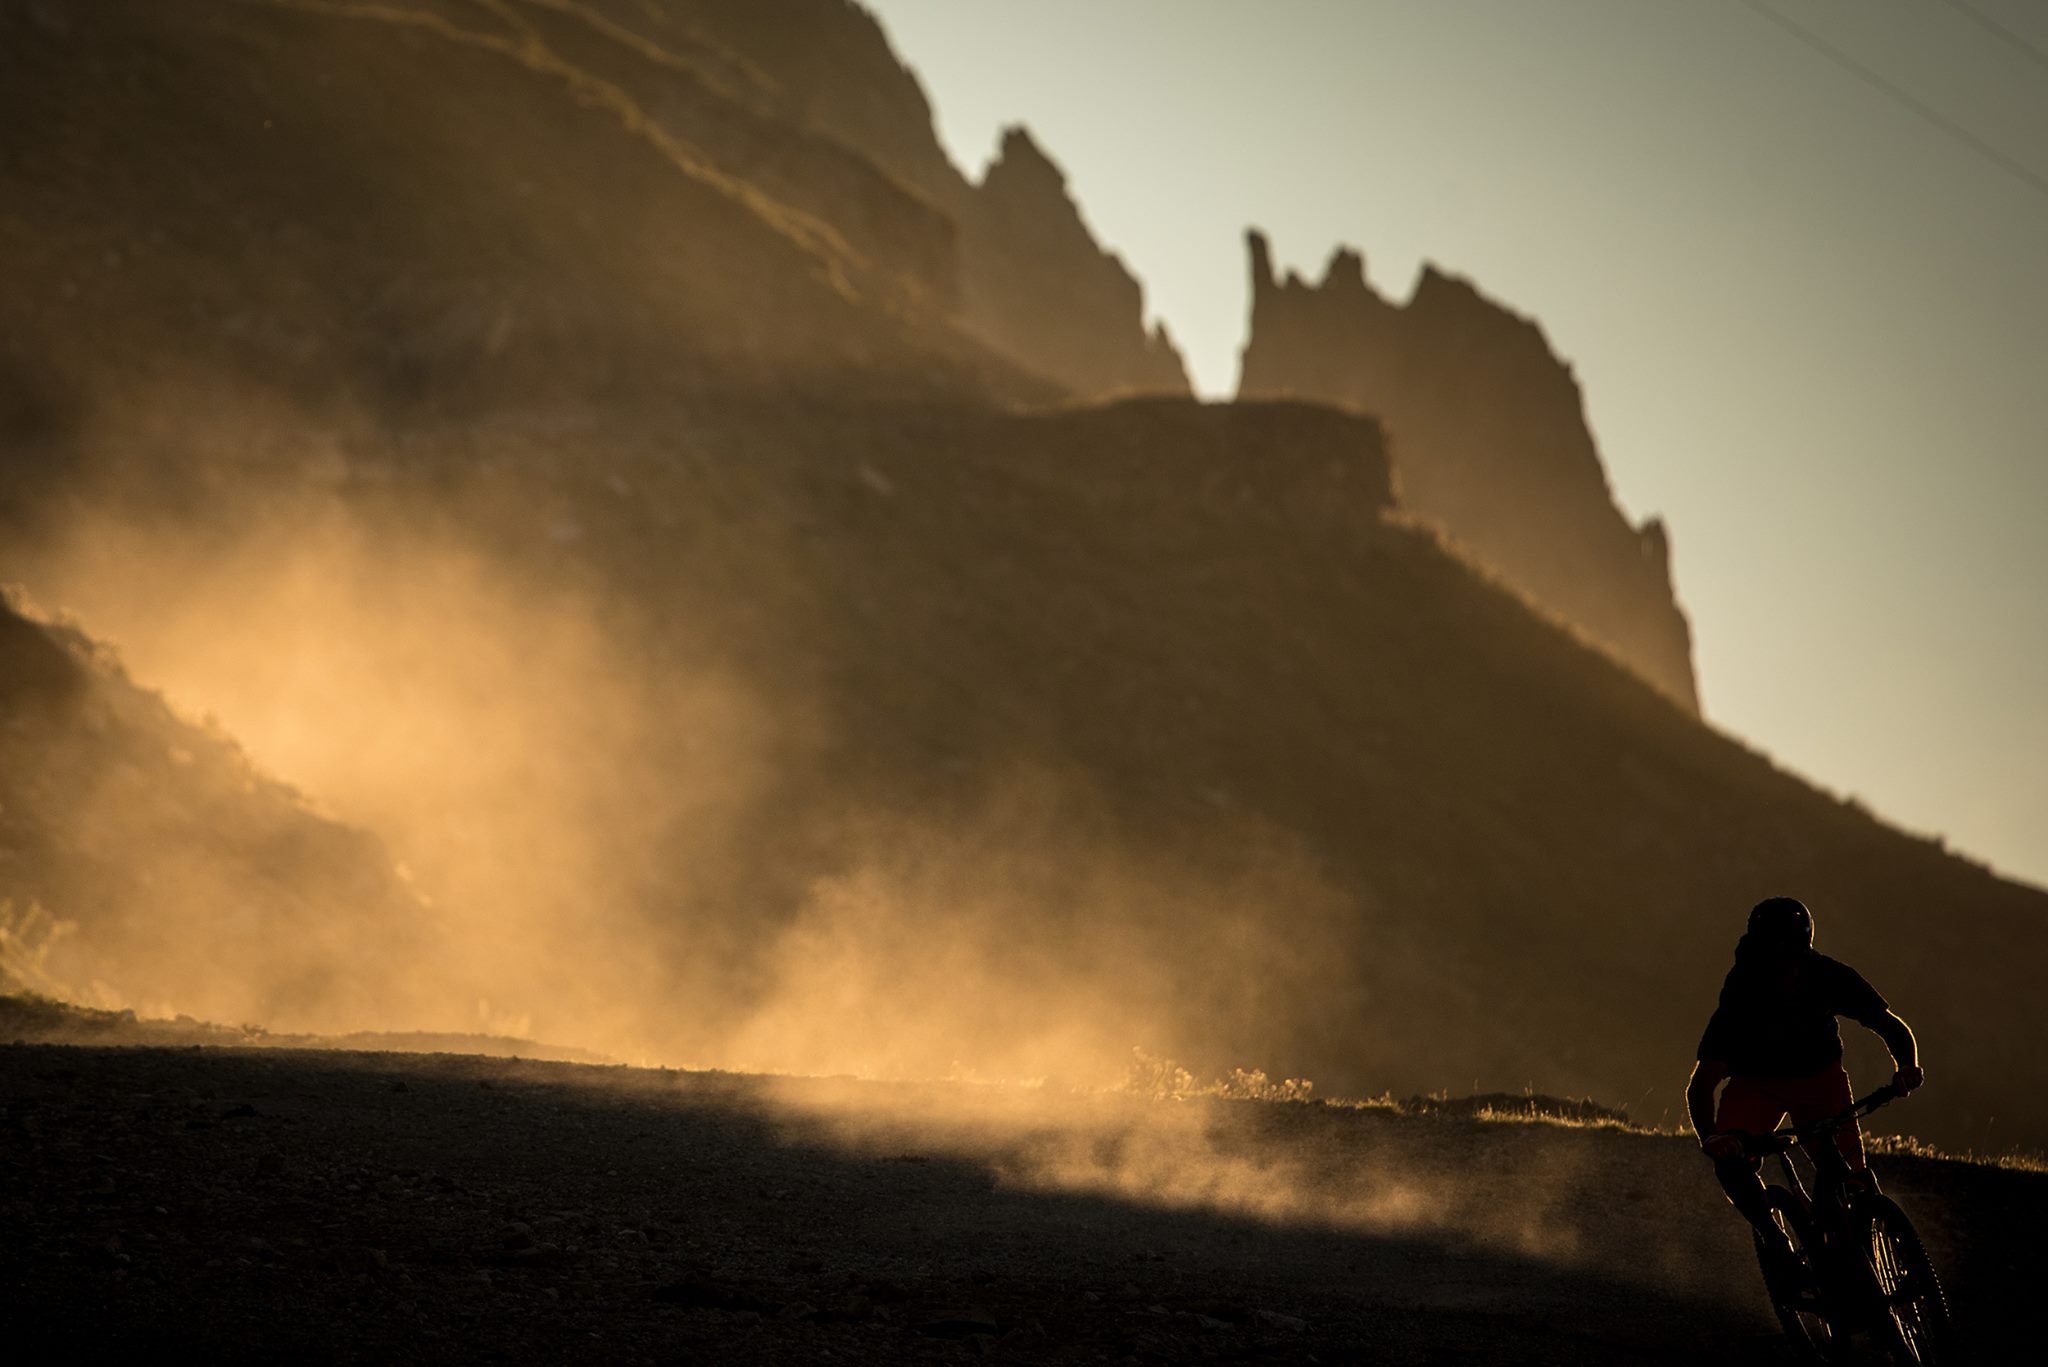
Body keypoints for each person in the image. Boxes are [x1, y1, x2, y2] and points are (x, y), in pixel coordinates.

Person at [1685, 896, 1924, 1244]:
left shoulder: (1828, 974)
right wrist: (1712, 1138)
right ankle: (1772, 1238)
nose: (1786, 970)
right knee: (1731, 1163)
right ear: (1759, 954)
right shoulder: (1741, 993)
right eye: (1775, 959)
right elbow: (1702, 1084)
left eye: (1793, 958)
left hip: (1821, 1082)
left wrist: (1907, 1066)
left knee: (1852, 1183)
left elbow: (1890, 1026)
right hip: (1757, 1086)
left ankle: (1852, 1243)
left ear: (1806, 951)